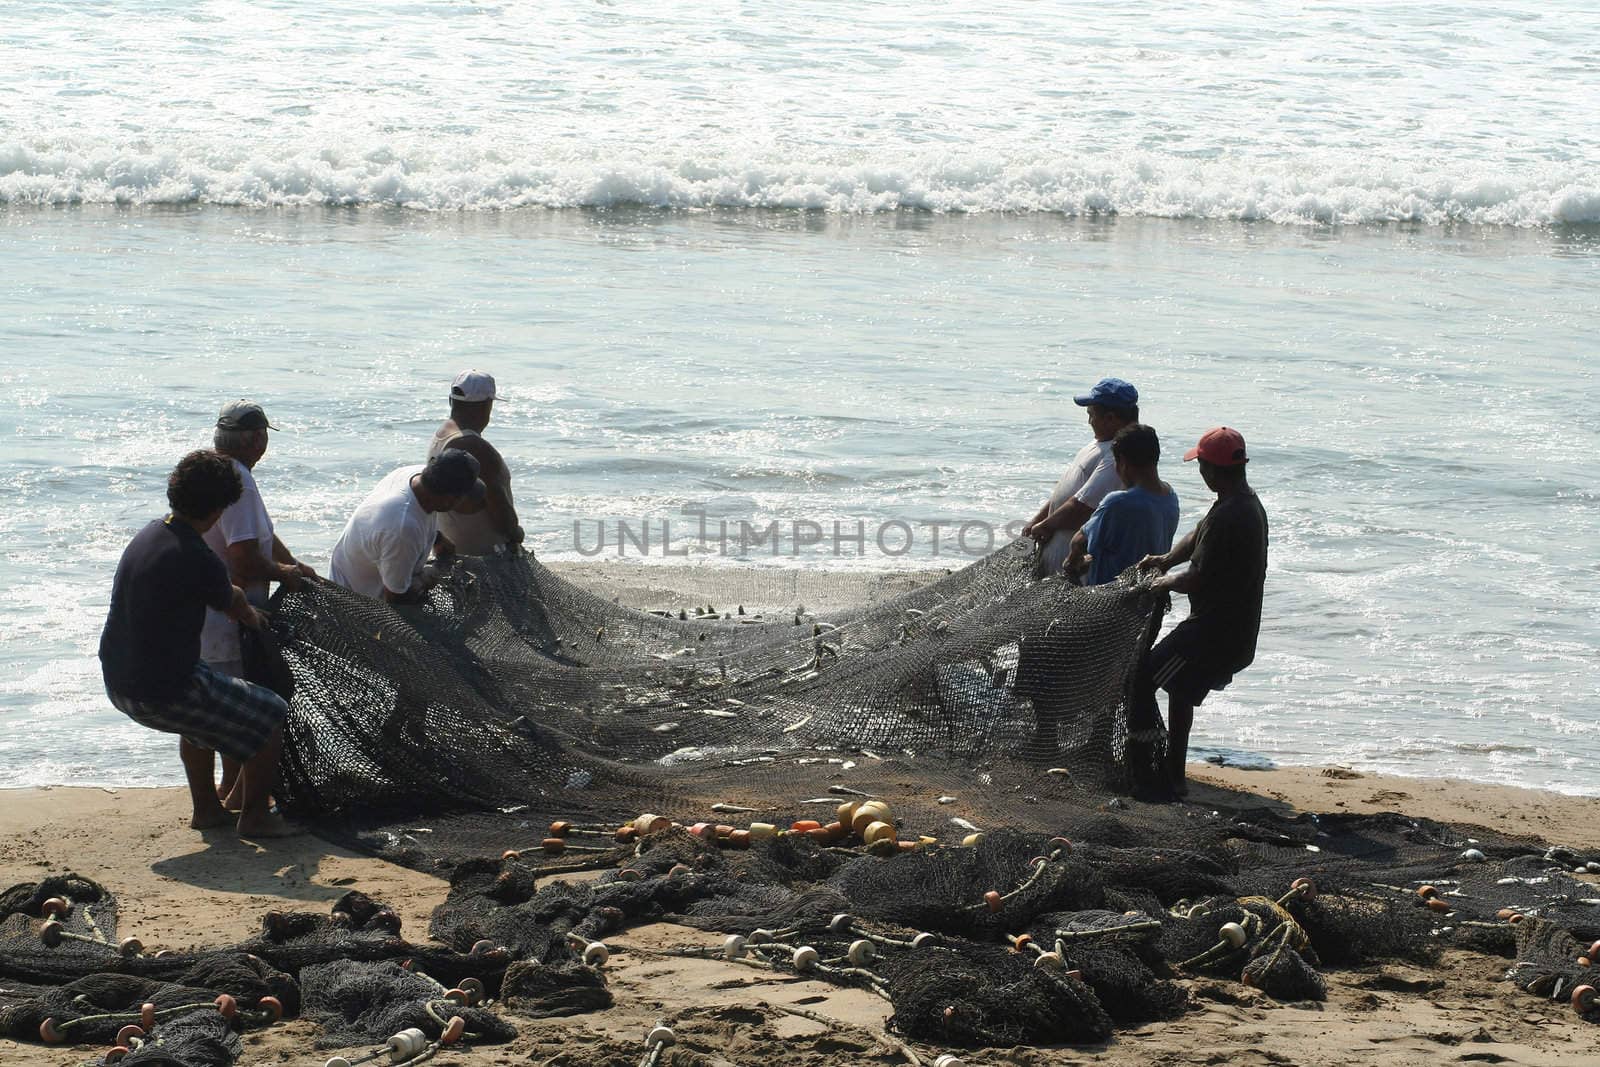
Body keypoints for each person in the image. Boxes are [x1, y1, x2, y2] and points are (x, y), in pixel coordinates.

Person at [99, 451, 295, 837]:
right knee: (271, 711)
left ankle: (208, 809)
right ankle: (254, 817)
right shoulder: (195, 555)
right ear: (220, 509)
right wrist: (254, 618)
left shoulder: (151, 533)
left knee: (201, 705)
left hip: (118, 681)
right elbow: (233, 600)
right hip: (160, 691)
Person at [1133, 426, 1269, 796]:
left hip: (1215, 634)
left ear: (1213, 468)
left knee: (1145, 678)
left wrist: (1157, 583)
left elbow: (1196, 577)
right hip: (1230, 630)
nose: (1199, 472)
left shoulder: (1231, 515)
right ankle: (1172, 770)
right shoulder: (1239, 501)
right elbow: (1196, 536)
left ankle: (1164, 771)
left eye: (1201, 465)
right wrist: (1166, 558)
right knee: (1180, 689)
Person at [201, 401, 317, 807]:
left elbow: (260, 536)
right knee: (244, 710)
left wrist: (293, 563)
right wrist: (285, 575)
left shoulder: (215, 472)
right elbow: (246, 559)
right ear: (256, 439)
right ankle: (239, 800)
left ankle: (229, 794)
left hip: (205, 614)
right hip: (231, 615)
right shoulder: (241, 482)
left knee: (218, 708)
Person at [328, 449, 487, 602]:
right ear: (449, 499)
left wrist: (436, 538)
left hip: (376, 567)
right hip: (359, 602)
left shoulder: (414, 475)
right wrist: (427, 577)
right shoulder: (403, 528)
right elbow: (397, 597)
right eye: (462, 498)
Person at [1022, 377, 1140, 578]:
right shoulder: (1099, 443)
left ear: (1111, 418)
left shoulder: (1116, 456)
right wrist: (1039, 519)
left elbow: (1084, 507)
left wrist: (1047, 525)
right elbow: (1069, 491)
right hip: (1054, 558)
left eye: (1091, 415)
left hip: (1076, 569)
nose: (1089, 421)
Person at [1063, 424, 1180, 586]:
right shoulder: (1170, 497)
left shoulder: (1117, 503)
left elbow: (1079, 542)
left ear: (1122, 462)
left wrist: (1072, 563)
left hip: (1109, 602)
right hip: (1147, 598)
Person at [427, 370, 524, 555]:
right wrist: (517, 533)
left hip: (453, 551)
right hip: (486, 558)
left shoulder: (441, 435)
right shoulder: (475, 448)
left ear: (451, 401)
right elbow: (502, 516)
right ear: (486, 406)